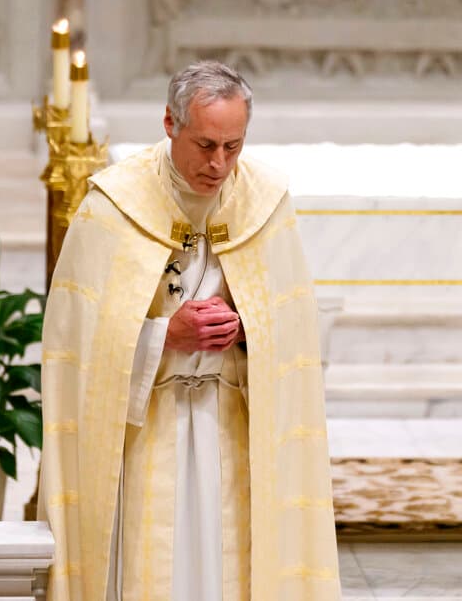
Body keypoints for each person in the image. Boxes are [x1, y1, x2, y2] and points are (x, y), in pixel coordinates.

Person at [39, 61, 341, 601]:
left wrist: (248, 327)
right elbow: (76, 343)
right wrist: (162, 333)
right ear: (170, 123)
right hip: (146, 429)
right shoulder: (114, 203)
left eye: (234, 146)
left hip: (232, 427)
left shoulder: (265, 201)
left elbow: (294, 326)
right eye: (205, 144)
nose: (219, 164)